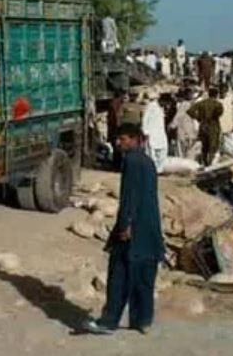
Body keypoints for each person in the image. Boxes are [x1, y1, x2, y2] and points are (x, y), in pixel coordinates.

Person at [86, 124, 165, 334]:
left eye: (122, 139)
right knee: (144, 277)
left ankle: (108, 322)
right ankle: (143, 320)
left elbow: (129, 196)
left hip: (133, 228)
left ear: (135, 139)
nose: (118, 143)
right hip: (150, 228)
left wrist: (125, 224)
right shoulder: (147, 161)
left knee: (119, 276)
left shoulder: (131, 160)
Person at [187, 88, 224, 167]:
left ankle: (205, 163)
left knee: (204, 146)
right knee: (213, 146)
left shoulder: (202, 103)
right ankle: (210, 164)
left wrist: (198, 118)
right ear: (216, 95)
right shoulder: (218, 104)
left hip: (203, 126)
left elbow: (190, 111)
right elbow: (219, 113)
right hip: (213, 126)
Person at [141, 91, 168, 166]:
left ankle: (158, 168)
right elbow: (145, 120)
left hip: (159, 133)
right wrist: (145, 131)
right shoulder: (151, 107)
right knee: (152, 152)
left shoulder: (159, 108)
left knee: (159, 151)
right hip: (152, 133)